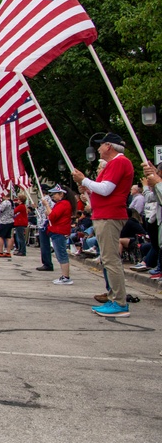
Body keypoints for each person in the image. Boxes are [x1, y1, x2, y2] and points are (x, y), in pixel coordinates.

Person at [71, 133, 135, 318]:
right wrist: (88, 187)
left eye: (100, 145)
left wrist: (84, 180)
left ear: (109, 146)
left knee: (110, 259)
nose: (97, 149)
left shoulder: (119, 163)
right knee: (108, 259)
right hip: (105, 215)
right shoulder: (116, 164)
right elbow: (103, 189)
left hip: (109, 216)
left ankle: (119, 303)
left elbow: (106, 189)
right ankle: (115, 297)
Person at [43, 186, 74, 285]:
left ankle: (66, 277)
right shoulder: (62, 204)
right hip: (57, 231)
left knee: (61, 254)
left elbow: (52, 216)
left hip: (59, 231)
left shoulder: (63, 204)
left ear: (61, 194)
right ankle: (64, 276)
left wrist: (47, 205)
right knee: (60, 253)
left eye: (55, 194)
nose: (53, 196)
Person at [0, 191, 15, 257]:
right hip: (10, 220)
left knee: (0, 236)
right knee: (8, 236)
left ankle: (1, 251)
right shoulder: (12, 202)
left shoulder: (5, 202)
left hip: (4, 221)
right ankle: (8, 252)